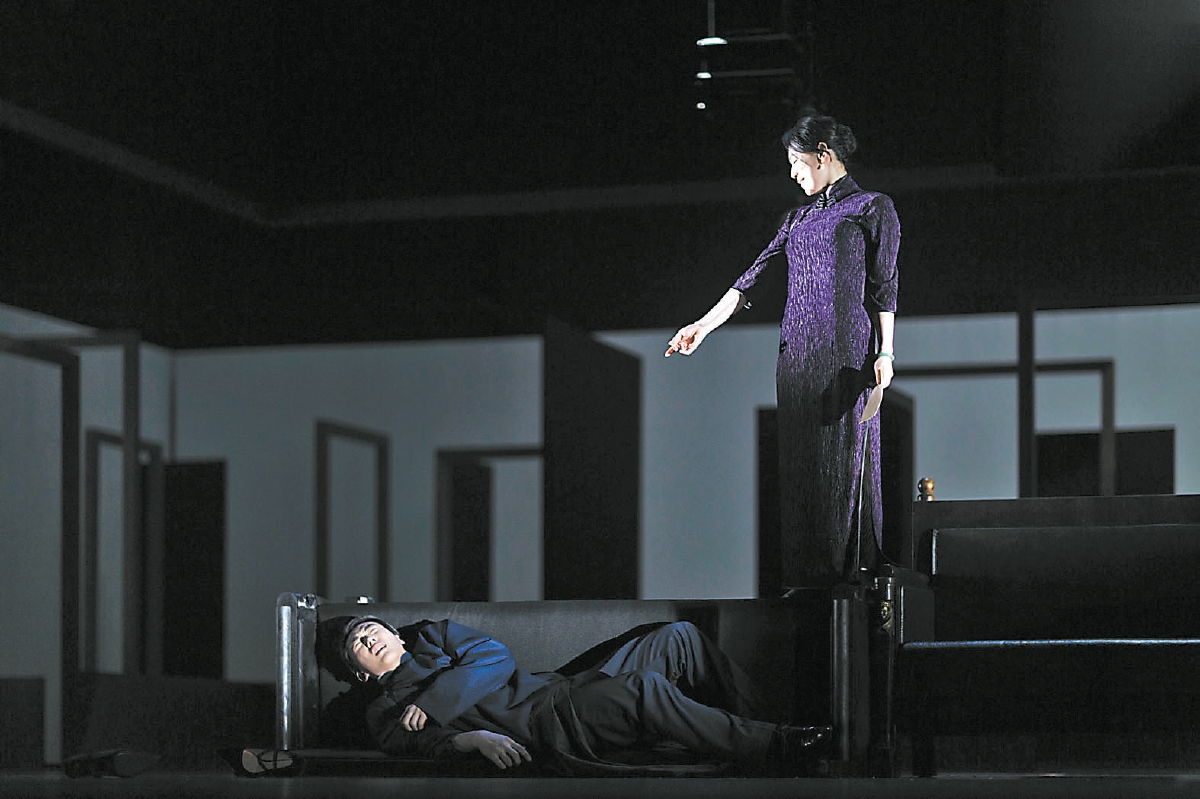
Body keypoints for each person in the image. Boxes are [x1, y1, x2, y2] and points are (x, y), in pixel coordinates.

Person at [666, 113, 900, 586]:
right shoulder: (796, 219)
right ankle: (804, 581)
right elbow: (751, 278)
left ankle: (847, 580)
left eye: (797, 162)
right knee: (799, 471)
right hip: (796, 360)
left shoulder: (872, 207)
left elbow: (884, 286)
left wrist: (886, 353)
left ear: (822, 155)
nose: (792, 173)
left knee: (842, 463)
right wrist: (702, 326)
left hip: (844, 353)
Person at [319, 614, 831, 776]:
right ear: (359, 672)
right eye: (358, 644)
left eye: (372, 627)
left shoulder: (435, 634)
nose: (369, 638)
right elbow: (411, 744)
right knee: (644, 689)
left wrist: (431, 705)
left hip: (560, 686)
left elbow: (496, 659)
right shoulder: (384, 709)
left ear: (395, 632)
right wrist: (466, 738)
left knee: (678, 637)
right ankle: (777, 747)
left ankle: (769, 729)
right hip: (551, 721)